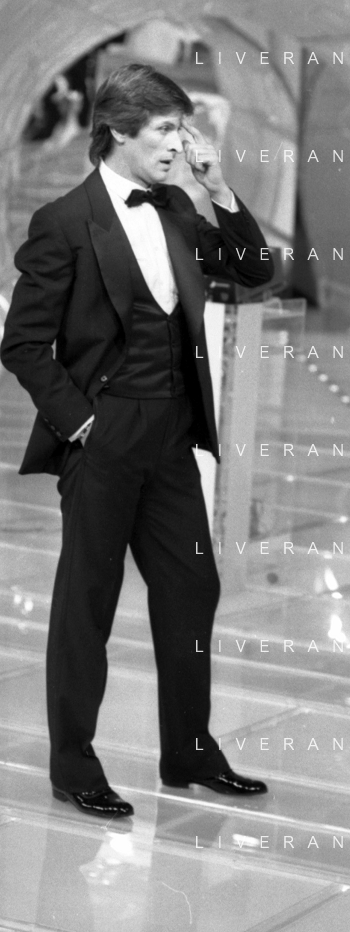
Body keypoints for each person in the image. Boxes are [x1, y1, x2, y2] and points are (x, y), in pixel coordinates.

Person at [1, 63, 275, 817]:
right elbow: (22, 344)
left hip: (173, 435)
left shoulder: (179, 209)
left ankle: (189, 749)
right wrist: (80, 420)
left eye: (181, 129)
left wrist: (218, 191)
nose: (178, 143)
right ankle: (73, 764)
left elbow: (255, 271)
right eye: (164, 129)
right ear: (119, 131)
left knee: (193, 587)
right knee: (87, 603)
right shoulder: (64, 221)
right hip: (104, 436)